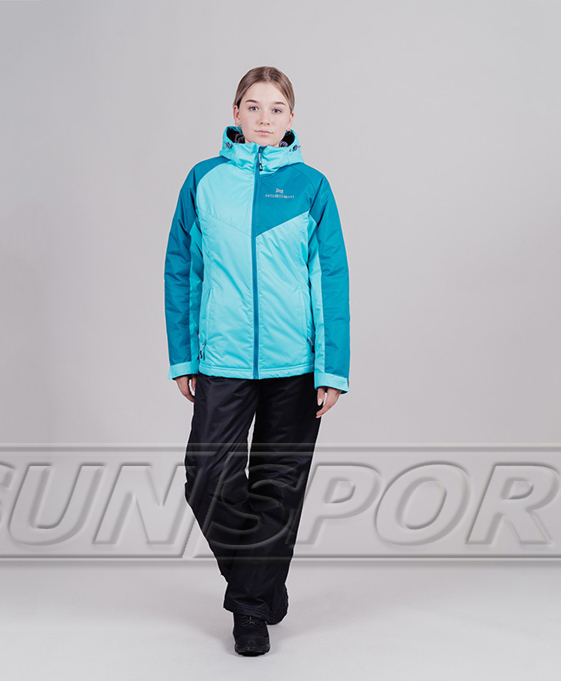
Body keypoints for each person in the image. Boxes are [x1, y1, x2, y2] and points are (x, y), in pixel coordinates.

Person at [163, 65, 350, 656]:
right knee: (206, 477)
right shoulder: (204, 180)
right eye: (253, 106)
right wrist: (184, 356)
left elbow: (330, 279)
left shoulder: (311, 187)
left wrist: (332, 368)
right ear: (235, 113)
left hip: (295, 362)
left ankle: (249, 609)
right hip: (222, 357)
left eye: (276, 108)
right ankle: (263, 581)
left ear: (291, 118)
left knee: (278, 485)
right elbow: (182, 270)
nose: (264, 118)